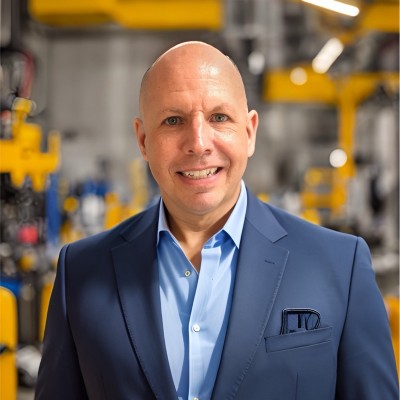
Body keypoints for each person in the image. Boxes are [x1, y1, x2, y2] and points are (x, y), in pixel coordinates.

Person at [35, 41, 398, 400]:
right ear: (143, 140)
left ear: (249, 132)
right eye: (173, 120)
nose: (198, 143)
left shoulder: (340, 266)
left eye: (219, 118)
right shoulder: (81, 272)